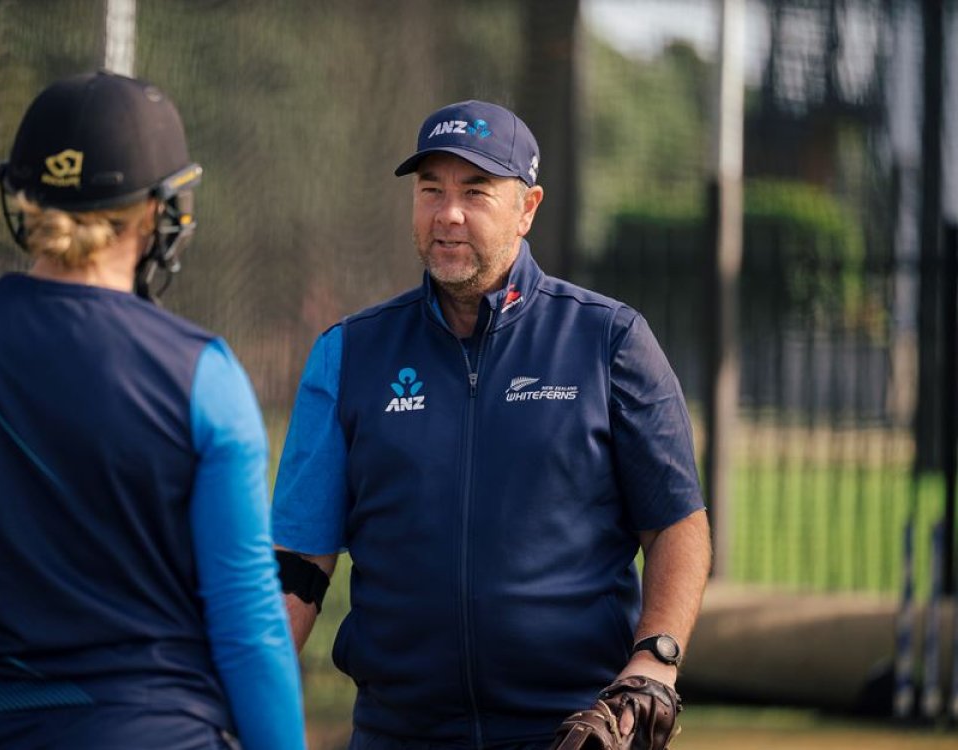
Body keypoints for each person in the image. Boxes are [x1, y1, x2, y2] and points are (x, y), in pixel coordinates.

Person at [0, 71, 305, 750]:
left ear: (25, 199)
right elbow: (247, 623)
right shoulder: (202, 373)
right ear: (155, 211)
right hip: (163, 730)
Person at [271, 100, 712, 749]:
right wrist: (244, 699)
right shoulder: (349, 354)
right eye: (431, 191)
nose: (448, 213)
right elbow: (301, 561)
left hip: (572, 730)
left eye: (475, 192)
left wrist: (655, 661)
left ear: (527, 208)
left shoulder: (609, 340)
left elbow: (677, 524)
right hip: (398, 732)